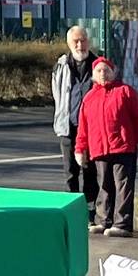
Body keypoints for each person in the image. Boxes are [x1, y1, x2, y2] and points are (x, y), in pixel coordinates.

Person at [74, 55, 138, 238]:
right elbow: (83, 127)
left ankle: (122, 223)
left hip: (123, 147)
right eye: (99, 71)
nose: (102, 74)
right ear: (93, 74)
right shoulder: (89, 97)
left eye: (106, 70)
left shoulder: (125, 92)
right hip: (99, 149)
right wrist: (80, 148)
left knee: (123, 185)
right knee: (103, 185)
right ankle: (103, 220)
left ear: (113, 72)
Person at [50, 25, 96, 199]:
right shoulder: (61, 66)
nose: (80, 45)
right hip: (68, 128)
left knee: (91, 173)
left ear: (88, 41)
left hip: (92, 130)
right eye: (75, 41)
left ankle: (90, 213)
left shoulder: (97, 65)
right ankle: (71, 211)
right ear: (69, 43)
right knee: (70, 173)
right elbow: (57, 94)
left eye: (83, 40)